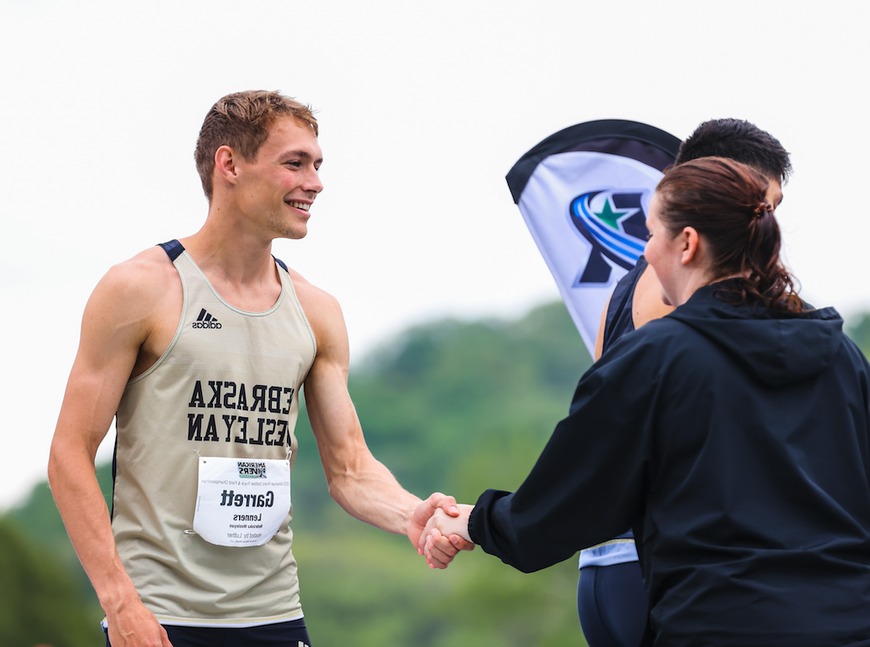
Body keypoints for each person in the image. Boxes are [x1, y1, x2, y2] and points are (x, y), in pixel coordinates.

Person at [47, 90, 471, 647]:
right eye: (294, 163)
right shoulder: (141, 288)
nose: (315, 182)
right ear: (229, 165)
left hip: (275, 615)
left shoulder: (317, 310)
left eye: (317, 165)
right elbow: (68, 454)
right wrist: (119, 600)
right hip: (161, 619)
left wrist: (411, 513)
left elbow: (349, 468)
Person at [422, 157, 870, 646]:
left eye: (651, 234)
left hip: (720, 626)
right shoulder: (842, 356)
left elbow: (566, 507)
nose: (646, 253)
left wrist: (473, 521)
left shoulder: (655, 358)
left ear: (687, 244)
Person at [579, 119, 794, 647]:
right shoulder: (694, 305)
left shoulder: (628, 288)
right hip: (668, 569)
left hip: (609, 568)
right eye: (762, 207)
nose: (768, 227)